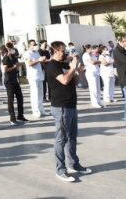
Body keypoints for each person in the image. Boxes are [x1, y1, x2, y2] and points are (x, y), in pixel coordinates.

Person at [45, 41, 91, 182]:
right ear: (55, 51)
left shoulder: (64, 64)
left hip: (71, 104)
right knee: (61, 138)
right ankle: (61, 169)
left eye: (65, 51)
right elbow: (64, 80)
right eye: (62, 51)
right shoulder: (52, 66)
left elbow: (74, 81)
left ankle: (73, 164)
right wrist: (72, 69)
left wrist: (77, 70)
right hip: (61, 106)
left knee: (72, 137)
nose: (65, 53)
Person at [2, 46, 26, 125]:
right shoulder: (6, 58)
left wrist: (18, 66)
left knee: (20, 97)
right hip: (9, 81)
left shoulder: (14, 57)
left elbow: (17, 66)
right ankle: (12, 118)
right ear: (8, 50)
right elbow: (5, 70)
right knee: (11, 99)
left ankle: (20, 116)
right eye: (11, 49)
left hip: (15, 80)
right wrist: (14, 67)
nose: (13, 50)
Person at [23, 40, 46, 119]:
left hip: (39, 75)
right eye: (33, 44)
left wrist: (44, 60)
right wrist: (39, 60)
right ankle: (35, 111)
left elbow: (40, 62)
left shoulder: (36, 52)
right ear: (29, 45)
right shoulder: (27, 53)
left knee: (41, 94)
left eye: (35, 44)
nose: (35, 45)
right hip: (32, 76)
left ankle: (41, 109)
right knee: (34, 94)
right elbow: (29, 64)